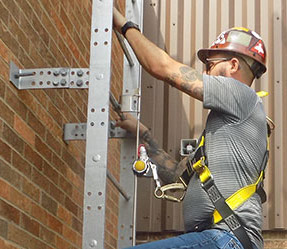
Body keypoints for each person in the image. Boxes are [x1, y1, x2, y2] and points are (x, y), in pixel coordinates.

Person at [113, 7, 268, 249]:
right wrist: (144, 135)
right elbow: (177, 174)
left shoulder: (240, 94)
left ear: (233, 65)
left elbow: (161, 67)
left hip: (226, 239)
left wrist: (124, 26)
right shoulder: (222, 132)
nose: (206, 72)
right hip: (216, 239)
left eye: (210, 65)